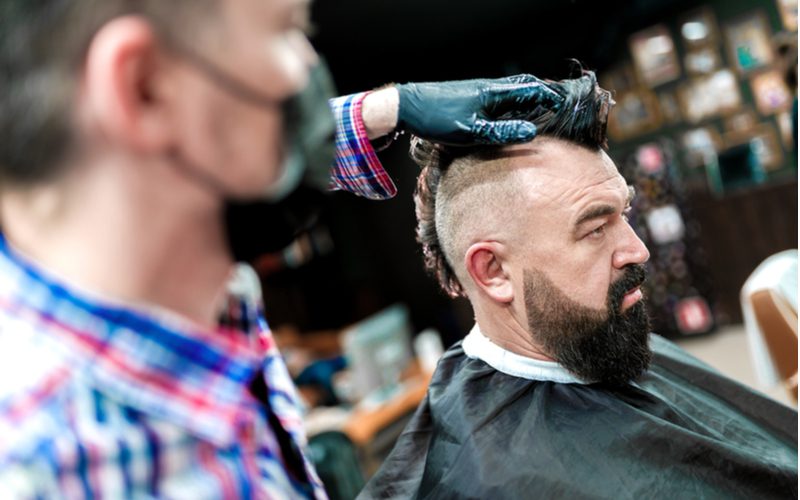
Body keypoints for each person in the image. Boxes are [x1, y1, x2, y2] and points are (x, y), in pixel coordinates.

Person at [0, 1, 564, 497]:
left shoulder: (201, 301)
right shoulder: (46, 471)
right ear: (145, 87)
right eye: (284, 30)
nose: (307, 72)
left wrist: (388, 110)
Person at [360, 72, 798, 499]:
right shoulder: (492, 480)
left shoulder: (597, 334)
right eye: (594, 229)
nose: (638, 250)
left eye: (622, 214)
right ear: (493, 271)